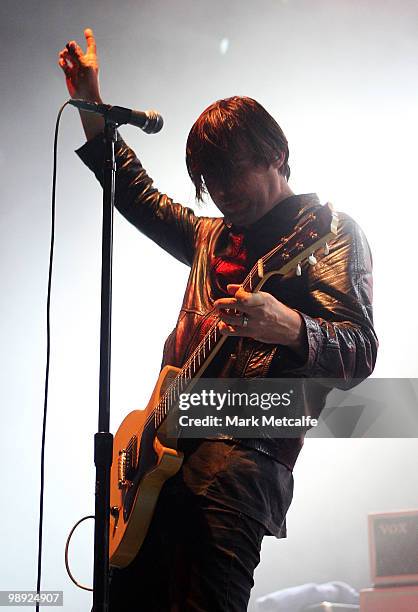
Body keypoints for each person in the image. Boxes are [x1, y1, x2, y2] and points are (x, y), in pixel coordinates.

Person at [58, 28, 378, 612]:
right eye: (210, 181)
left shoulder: (327, 232)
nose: (223, 193)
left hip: (241, 461)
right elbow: (133, 192)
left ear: (275, 155)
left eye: (233, 173)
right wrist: (89, 98)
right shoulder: (212, 237)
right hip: (157, 461)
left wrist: (290, 325)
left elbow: (360, 350)